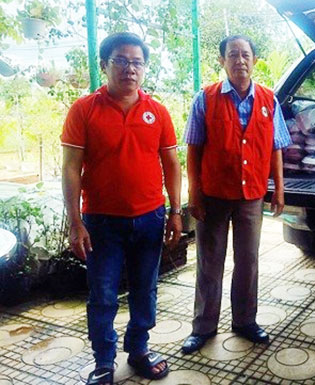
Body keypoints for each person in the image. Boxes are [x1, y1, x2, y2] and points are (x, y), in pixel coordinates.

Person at [61, 32, 182, 385]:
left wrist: (176, 211)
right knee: (102, 294)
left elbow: (172, 165)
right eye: (121, 61)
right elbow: (71, 168)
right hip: (101, 221)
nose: (130, 69)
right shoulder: (84, 110)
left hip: (150, 217)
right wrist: (75, 222)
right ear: (104, 65)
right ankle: (104, 361)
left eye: (137, 62)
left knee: (146, 290)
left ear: (144, 68)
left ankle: (139, 349)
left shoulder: (157, 112)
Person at [181, 35, 291, 354]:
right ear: (222, 61)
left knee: (248, 261)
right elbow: (193, 149)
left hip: (251, 195)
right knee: (209, 262)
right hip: (213, 195)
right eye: (232, 55)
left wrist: (279, 189)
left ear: (254, 60)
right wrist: (194, 194)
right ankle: (203, 327)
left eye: (245, 54)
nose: (239, 60)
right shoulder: (205, 98)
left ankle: (245, 321)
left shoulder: (269, 100)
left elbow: (276, 147)